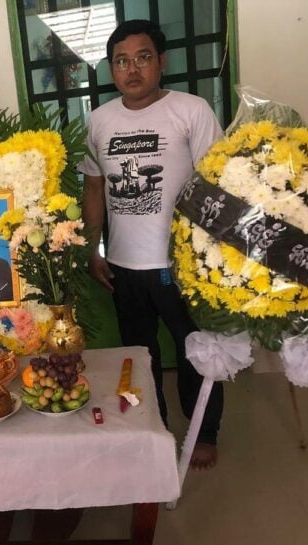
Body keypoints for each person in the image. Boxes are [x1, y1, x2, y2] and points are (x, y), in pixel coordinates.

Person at [80, 20, 224, 470]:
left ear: (161, 61)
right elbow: (93, 190)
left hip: (181, 263)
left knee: (195, 350)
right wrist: (91, 249)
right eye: (121, 61)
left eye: (142, 57)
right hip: (124, 266)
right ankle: (150, 425)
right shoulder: (99, 121)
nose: (132, 69)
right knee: (137, 355)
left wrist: (211, 254)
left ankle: (204, 430)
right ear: (111, 69)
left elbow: (216, 185)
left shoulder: (191, 110)